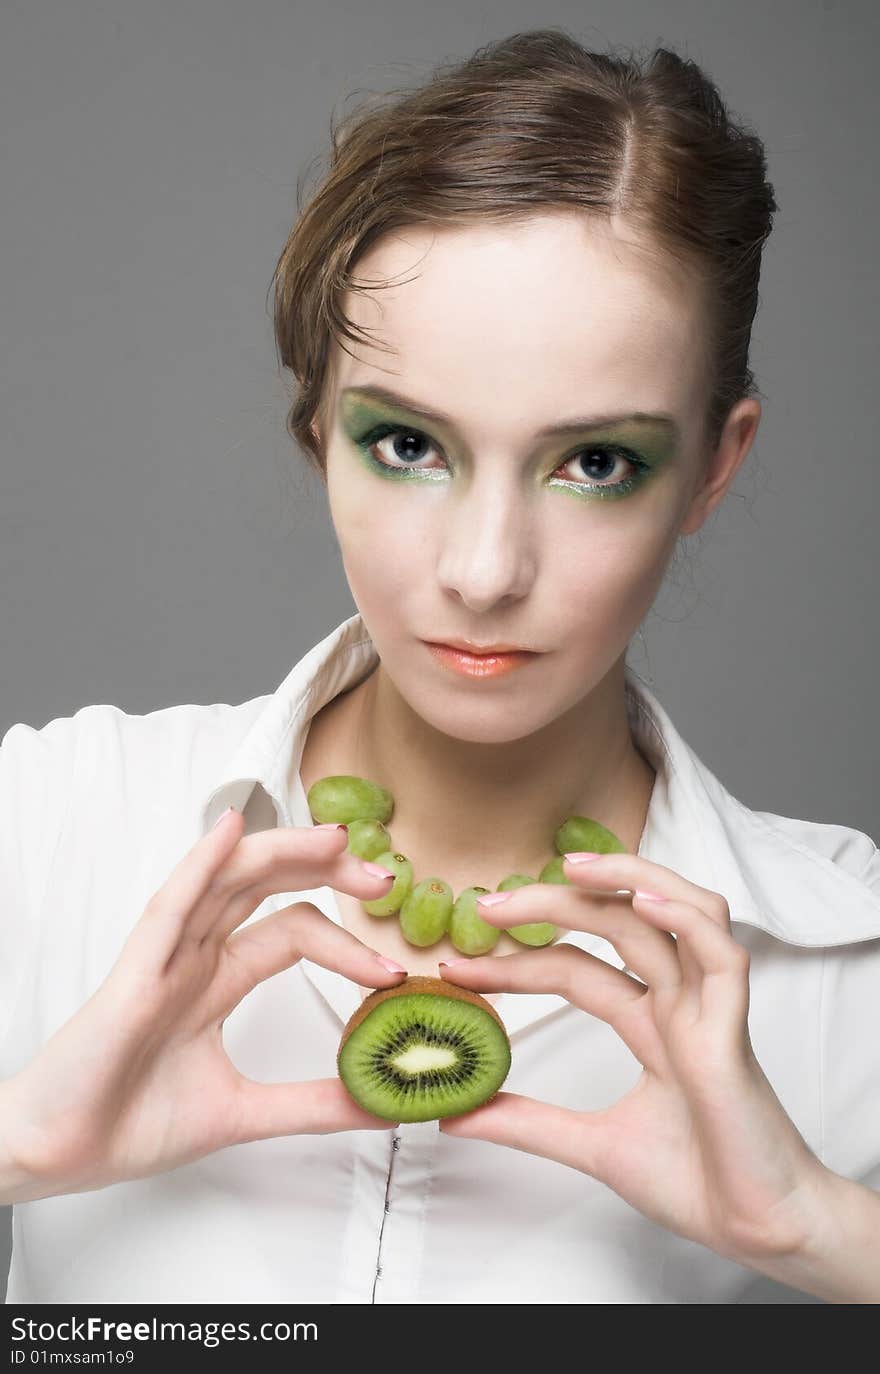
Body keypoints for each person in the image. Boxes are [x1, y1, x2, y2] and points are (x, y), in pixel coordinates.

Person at [2, 30, 879, 1306]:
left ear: (713, 465)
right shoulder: (43, 824)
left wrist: (818, 1229)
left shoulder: (847, 959)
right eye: (408, 443)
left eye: (594, 463)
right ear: (320, 430)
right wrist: (17, 1147)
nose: (481, 571)